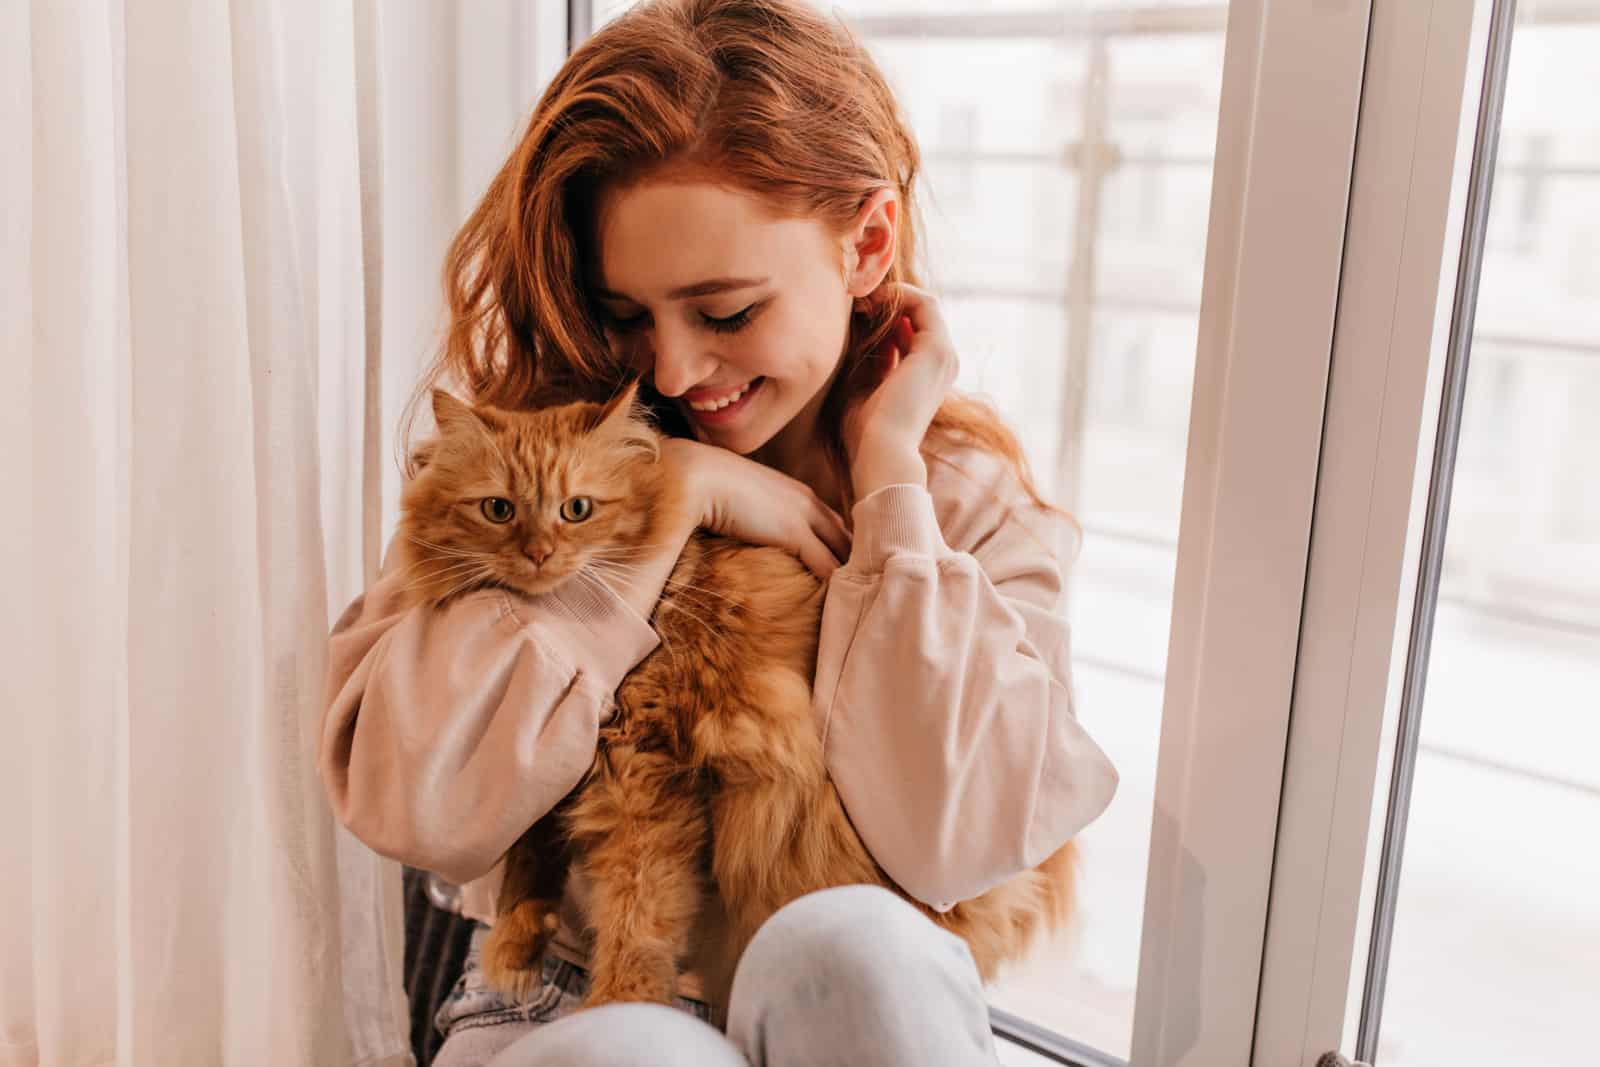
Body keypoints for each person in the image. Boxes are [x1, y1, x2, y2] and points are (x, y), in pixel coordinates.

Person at [318, 1, 1118, 1063]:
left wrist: (887, 490)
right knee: (629, 1052)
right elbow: (407, 796)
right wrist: (664, 505)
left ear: (867, 242)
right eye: (625, 315)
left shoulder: (961, 501)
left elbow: (955, 844)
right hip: (562, 998)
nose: (673, 371)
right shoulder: (528, 461)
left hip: (846, 1010)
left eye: (728, 312)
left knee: (860, 944)